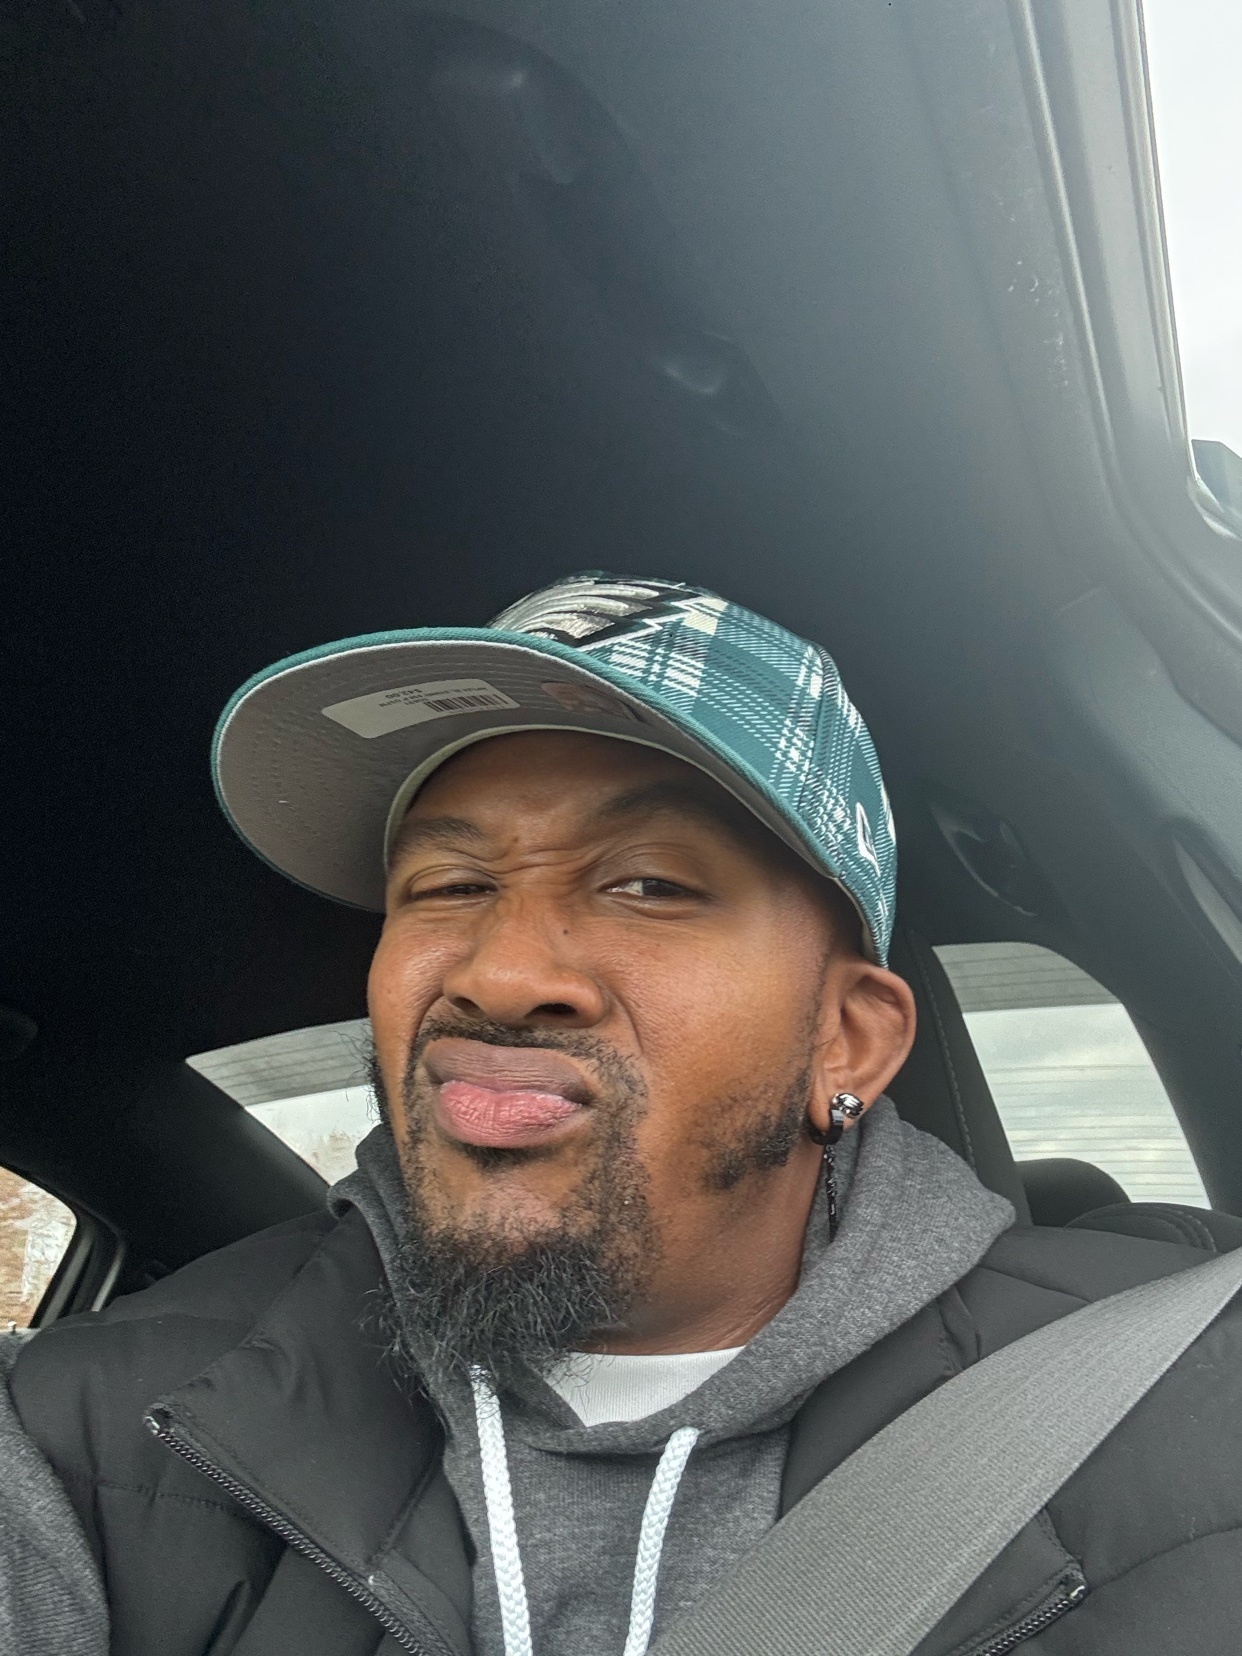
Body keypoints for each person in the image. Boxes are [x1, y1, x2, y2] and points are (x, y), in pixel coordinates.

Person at [4, 572, 1242, 1656]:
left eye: (648, 884)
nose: (498, 973)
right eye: (451, 883)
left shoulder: (1190, 1408)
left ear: (849, 1040)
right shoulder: (82, 1440)